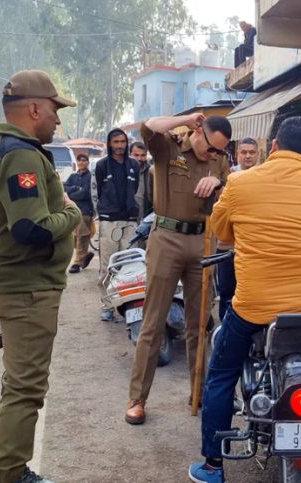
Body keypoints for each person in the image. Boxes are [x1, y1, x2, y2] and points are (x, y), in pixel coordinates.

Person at [188, 116, 301, 483]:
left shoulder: (239, 183)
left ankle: (212, 465)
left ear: (273, 146)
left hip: (253, 306)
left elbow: (222, 232)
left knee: (220, 373)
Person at [0, 69, 81, 483]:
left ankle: (13, 469)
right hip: (26, 289)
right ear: (35, 108)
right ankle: (11, 476)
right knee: (25, 391)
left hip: (23, 287)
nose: (58, 119)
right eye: (55, 110)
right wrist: (71, 214)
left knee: (18, 385)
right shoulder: (19, 153)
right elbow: (31, 229)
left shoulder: (11, 147)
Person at [125, 114, 230, 425]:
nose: (213, 155)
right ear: (198, 131)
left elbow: (228, 195)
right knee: (153, 322)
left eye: (218, 152)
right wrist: (186, 118)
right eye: (211, 148)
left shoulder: (219, 160)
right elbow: (149, 126)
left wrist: (220, 182)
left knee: (199, 324)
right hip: (166, 239)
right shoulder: (168, 148)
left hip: (202, 240)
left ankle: (199, 394)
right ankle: (137, 399)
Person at [95, 128, 140, 321]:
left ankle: (129, 305)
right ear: (109, 144)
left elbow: (135, 188)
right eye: (116, 142)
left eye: (122, 142)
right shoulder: (101, 165)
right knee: (108, 265)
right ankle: (107, 305)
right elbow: (99, 190)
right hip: (109, 221)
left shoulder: (134, 165)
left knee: (130, 265)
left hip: (129, 221)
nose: (120, 146)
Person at [216, 138, 258, 322]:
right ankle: (224, 331)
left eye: (252, 152)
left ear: (258, 154)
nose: (248, 156)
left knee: (251, 291)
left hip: (254, 246)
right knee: (227, 290)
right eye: (244, 152)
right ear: (237, 154)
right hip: (228, 245)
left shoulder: (263, 176)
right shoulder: (227, 177)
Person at [64, 153, 95, 273]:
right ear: (77, 162)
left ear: (88, 162)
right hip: (72, 211)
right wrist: (76, 189)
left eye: (84, 160)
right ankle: (85, 255)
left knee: (82, 236)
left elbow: (85, 194)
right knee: (74, 238)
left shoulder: (91, 177)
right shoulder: (73, 176)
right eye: (79, 161)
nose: (82, 163)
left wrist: (73, 194)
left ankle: (77, 263)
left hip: (85, 211)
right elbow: (64, 188)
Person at [130, 141, 152, 223]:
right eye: (136, 155)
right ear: (130, 154)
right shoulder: (123, 170)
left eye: (143, 155)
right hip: (126, 218)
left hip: (145, 218)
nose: (139, 158)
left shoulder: (151, 172)